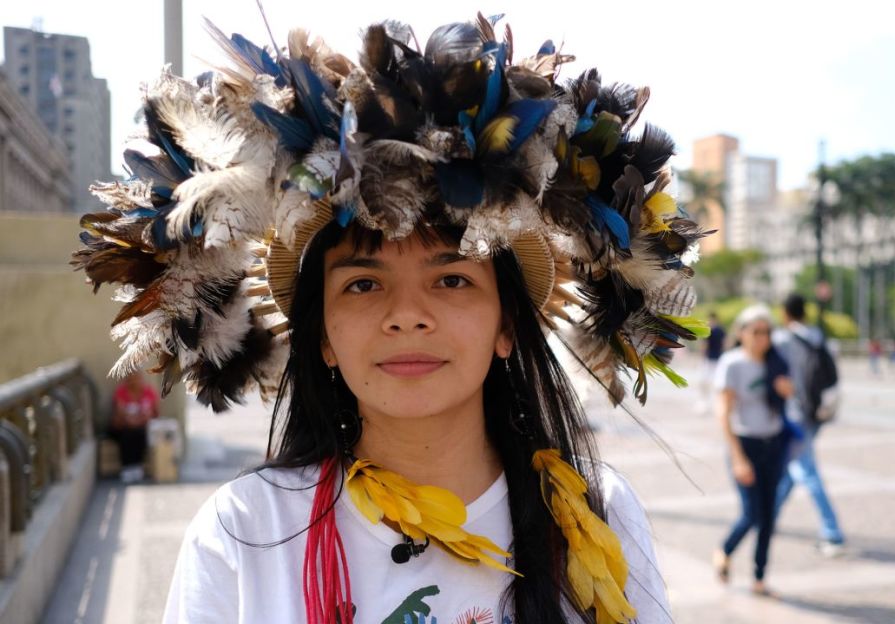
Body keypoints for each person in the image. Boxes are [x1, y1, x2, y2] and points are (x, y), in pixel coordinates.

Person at [73, 14, 711, 623]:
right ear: (320, 333)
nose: (407, 316)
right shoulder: (243, 533)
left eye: (453, 278)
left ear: (506, 326)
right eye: (363, 284)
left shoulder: (601, 515)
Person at [711, 304, 792, 597]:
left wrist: (786, 389)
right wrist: (738, 458)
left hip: (774, 444)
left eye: (767, 332)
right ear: (742, 333)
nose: (762, 338)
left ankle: (759, 577)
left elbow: (791, 393)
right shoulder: (732, 364)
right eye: (756, 331)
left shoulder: (776, 362)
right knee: (752, 513)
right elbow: (724, 413)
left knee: (769, 516)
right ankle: (725, 550)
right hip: (745, 445)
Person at [772, 293, 846, 558]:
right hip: (816, 414)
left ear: (785, 312)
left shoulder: (783, 339)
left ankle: (832, 532)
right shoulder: (817, 335)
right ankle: (768, 518)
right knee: (791, 471)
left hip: (795, 414)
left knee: (806, 471)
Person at [109, 371, 159, 483]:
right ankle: (127, 468)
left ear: (141, 379)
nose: (133, 381)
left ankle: (136, 467)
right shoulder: (121, 392)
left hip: (141, 426)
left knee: (140, 433)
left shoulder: (148, 392)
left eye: (136, 378)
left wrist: (137, 421)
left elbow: (151, 413)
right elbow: (120, 412)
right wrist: (132, 421)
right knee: (127, 434)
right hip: (122, 426)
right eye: (130, 378)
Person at [699, 312, 727, 413]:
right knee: (717, 382)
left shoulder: (708, 330)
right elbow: (725, 344)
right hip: (718, 359)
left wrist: (702, 357)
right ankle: (716, 404)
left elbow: (704, 345)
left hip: (710, 359)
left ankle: (705, 403)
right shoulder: (721, 330)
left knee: (705, 382)